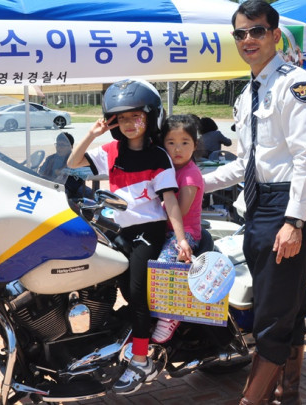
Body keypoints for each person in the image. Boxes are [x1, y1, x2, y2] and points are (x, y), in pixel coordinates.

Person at [202, 2, 306, 404]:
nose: (248, 39)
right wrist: (195, 183)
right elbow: (245, 164)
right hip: (257, 208)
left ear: (275, 35)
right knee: (287, 305)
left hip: (285, 208)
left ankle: (252, 399)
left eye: (256, 31)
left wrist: (295, 221)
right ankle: (288, 393)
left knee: (271, 314)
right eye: (241, 33)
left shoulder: (296, 84)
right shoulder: (246, 94)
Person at [67, 79, 192, 395]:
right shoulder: (110, 151)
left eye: (136, 116)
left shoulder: (159, 156)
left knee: (137, 293)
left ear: (150, 117)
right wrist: (92, 134)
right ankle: (123, 337)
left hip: (147, 232)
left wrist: (181, 239)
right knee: (112, 284)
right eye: (121, 118)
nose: (129, 123)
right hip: (119, 231)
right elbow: (72, 162)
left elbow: (170, 200)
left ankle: (141, 359)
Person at [152, 114, 205, 344]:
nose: (177, 149)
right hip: (165, 229)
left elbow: (180, 212)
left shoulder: (190, 175)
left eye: (185, 142)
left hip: (185, 233)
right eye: (171, 142)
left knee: (164, 265)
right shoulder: (167, 169)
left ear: (195, 144)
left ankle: (170, 316)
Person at [39, 132, 92, 198]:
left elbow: (90, 171)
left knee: (93, 195)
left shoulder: (77, 159)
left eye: (62, 145)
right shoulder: (50, 159)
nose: (59, 148)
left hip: (77, 187)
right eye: (58, 145)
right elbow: (41, 173)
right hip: (56, 188)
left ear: (71, 146)